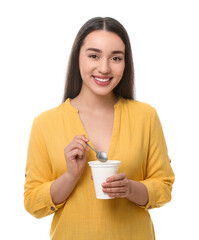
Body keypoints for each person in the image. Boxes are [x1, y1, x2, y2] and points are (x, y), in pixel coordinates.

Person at [24, 17, 175, 240]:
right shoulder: (45, 123)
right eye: (93, 55)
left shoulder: (146, 116)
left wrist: (129, 189)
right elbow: (32, 203)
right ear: (78, 58)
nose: (104, 68)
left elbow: (164, 187)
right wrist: (70, 177)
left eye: (116, 58)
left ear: (126, 62)